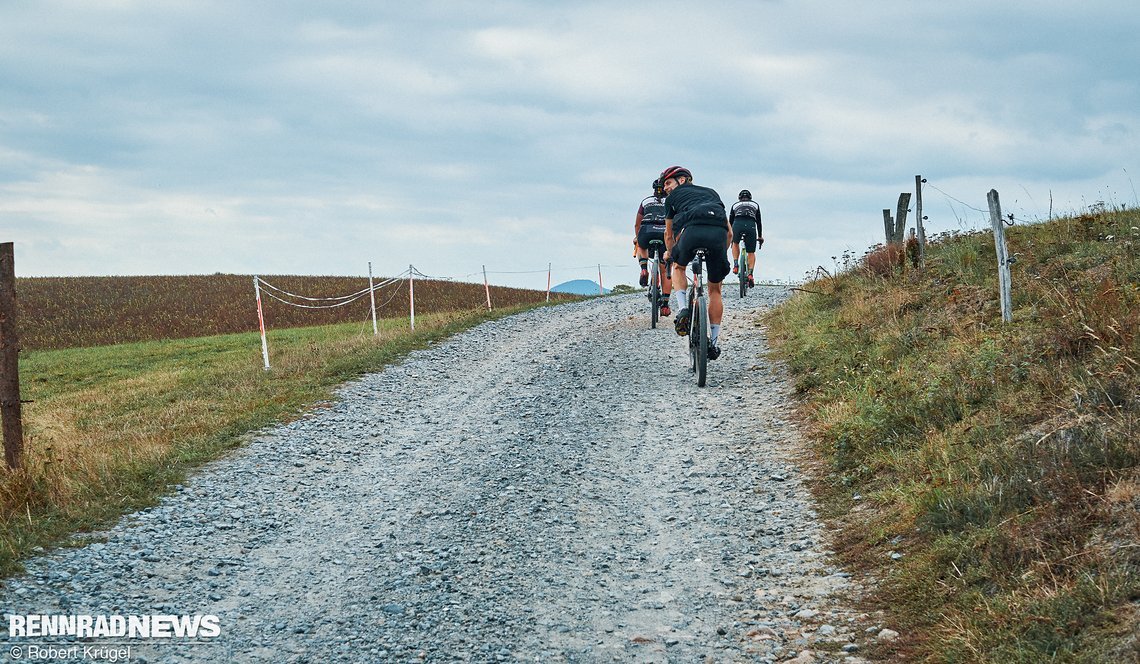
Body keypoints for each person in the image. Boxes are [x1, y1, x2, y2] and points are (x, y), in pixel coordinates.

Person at [660, 165, 731, 360]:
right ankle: (714, 343)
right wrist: (719, 254)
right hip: (718, 234)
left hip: (691, 231)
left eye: (667, 183)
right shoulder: (712, 193)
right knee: (715, 290)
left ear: (682, 180)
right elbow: (730, 233)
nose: (665, 188)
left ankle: (683, 308)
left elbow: (668, 233)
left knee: (679, 266)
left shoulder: (673, 198)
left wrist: (669, 253)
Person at [634, 179, 671, 316]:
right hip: (664, 232)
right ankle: (665, 305)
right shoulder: (671, 201)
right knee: (665, 269)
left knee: (640, 245)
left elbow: (637, 224)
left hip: (647, 229)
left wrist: (637, 237)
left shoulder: (645, 201)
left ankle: (644, 269)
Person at [729, 189, 764, 287]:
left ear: (739, 198)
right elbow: (759, 222)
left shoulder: (735, 205)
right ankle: (750, 274)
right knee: (751, 252)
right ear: (750, 198)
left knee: (735, 243)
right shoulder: (755, 205)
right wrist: (760, 236)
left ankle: (736, 265)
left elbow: (730, 222)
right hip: (751, 226)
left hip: (737, 224)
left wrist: (730, 236)